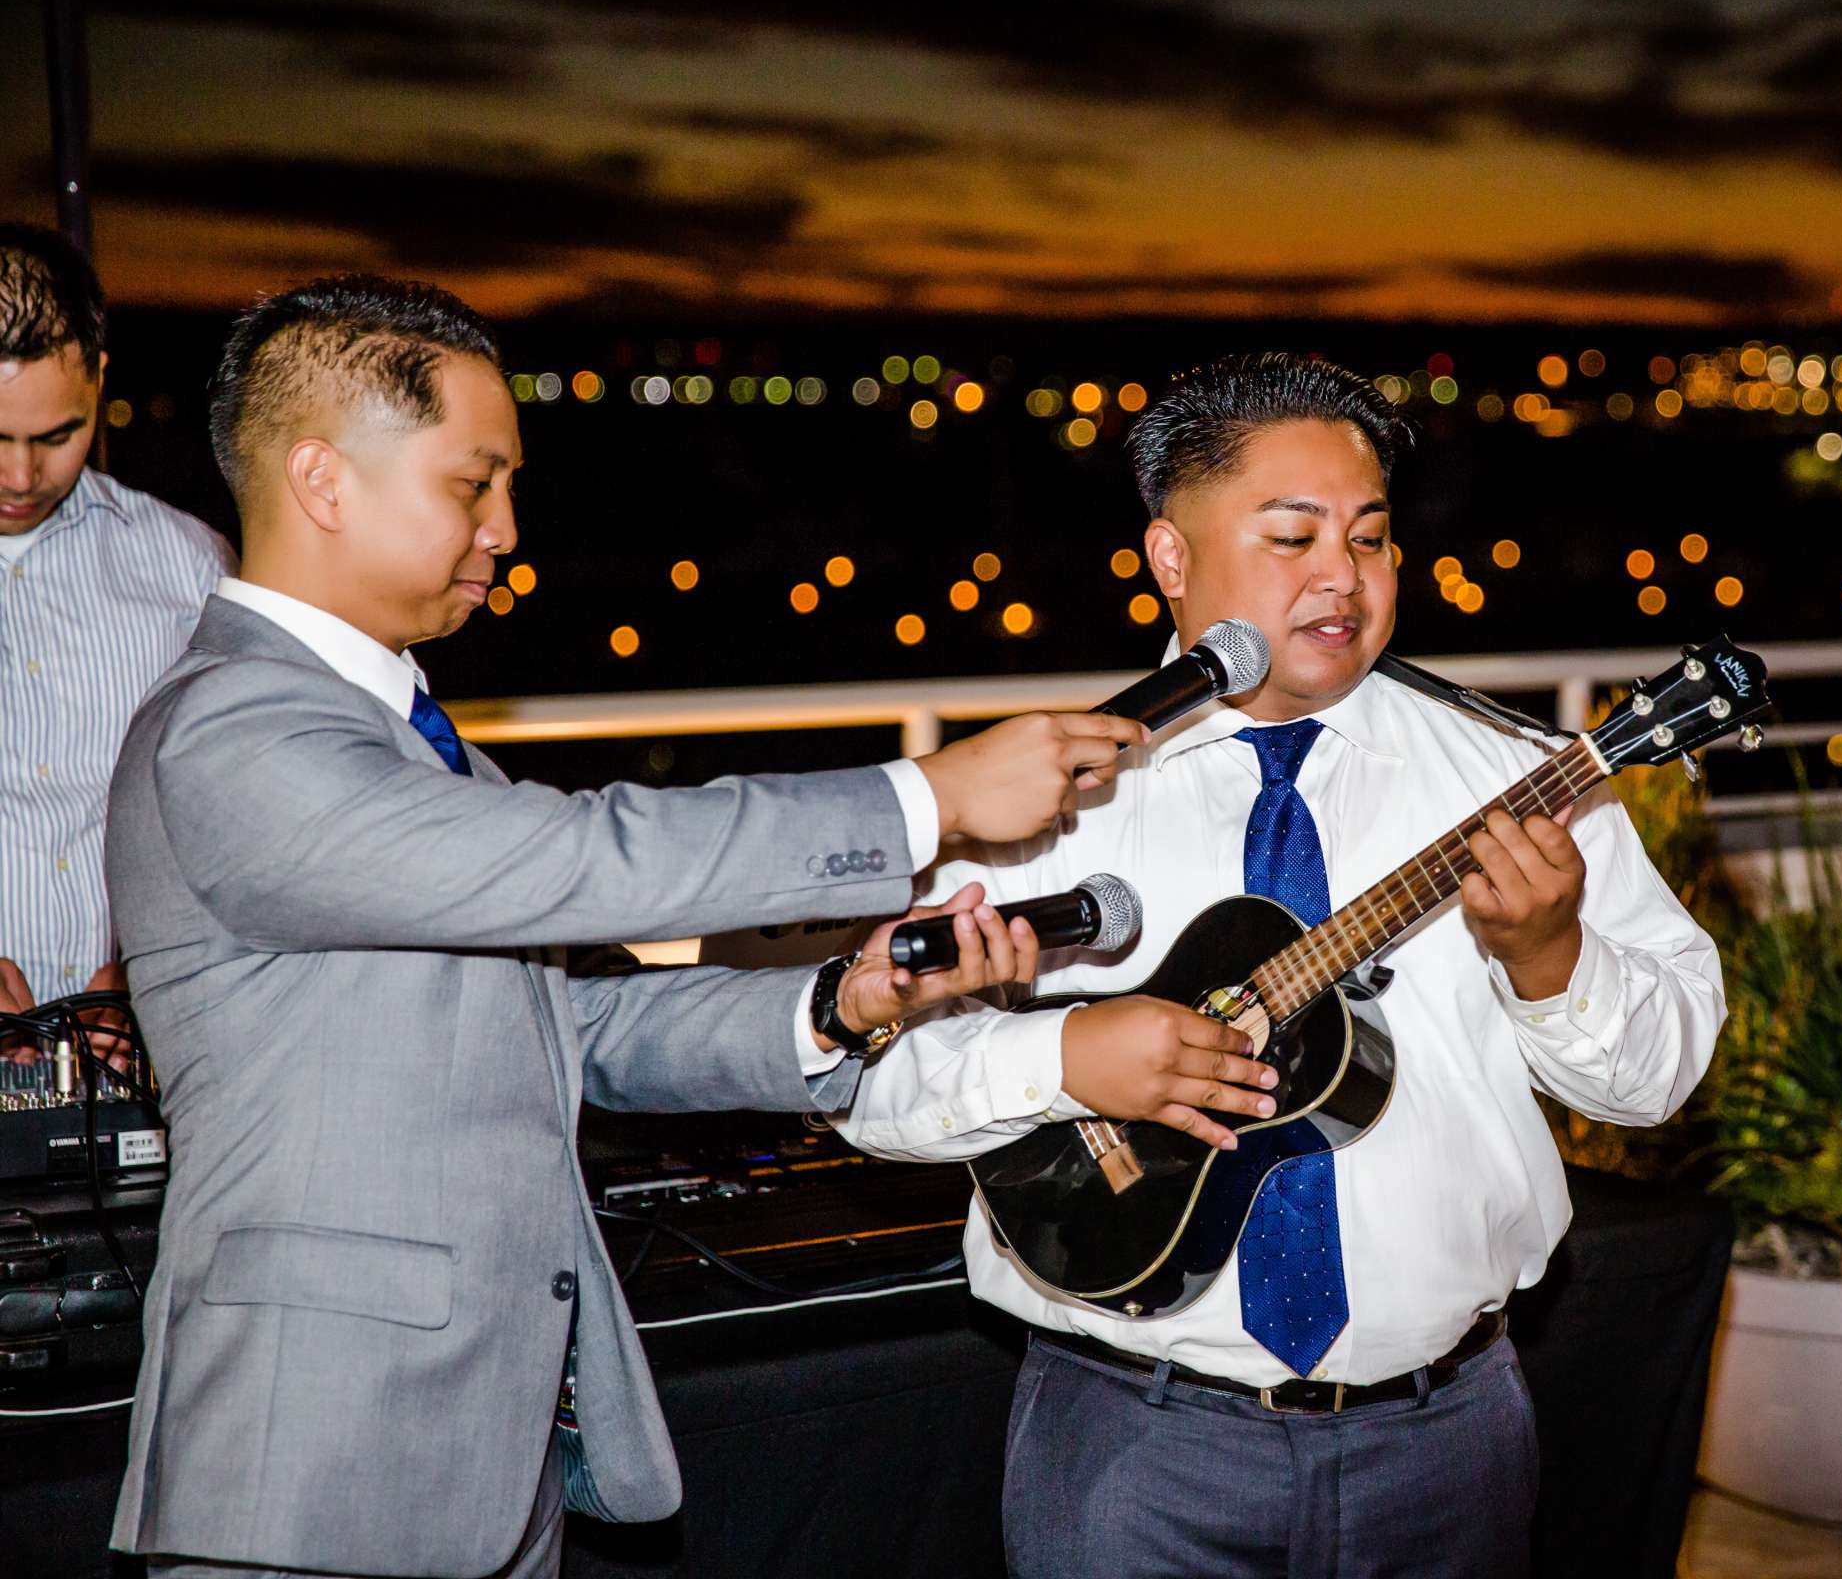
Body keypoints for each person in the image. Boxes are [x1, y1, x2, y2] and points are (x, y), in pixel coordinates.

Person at [104, 274, 1261, 1579]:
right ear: (324, 482)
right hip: (310, 1468)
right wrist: (924, 795)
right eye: (471, 484)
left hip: (482, 1456)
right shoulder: (232, 732)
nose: (507, 528)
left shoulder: (413, 755)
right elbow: (576, 857)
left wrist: (843, 1002)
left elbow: (578, 1026)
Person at [836, 354, 1727, 1577]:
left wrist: (1550, 956)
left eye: (1370, 538)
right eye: (1291, 536)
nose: (1341, 578)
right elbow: (869, 1084)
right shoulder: (1038, 794)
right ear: (1170, 558)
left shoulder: (1516, 780)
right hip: (1130, 1444)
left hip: (1451, 1435)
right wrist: (1065, 1057)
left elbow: (1661, 1078)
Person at [0, 223, 229, 1057]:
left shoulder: (192, 567)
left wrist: (156, 958)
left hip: (143, 1069)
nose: (22, 477)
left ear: (101, 381)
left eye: (57, 435)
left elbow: (235, 808)